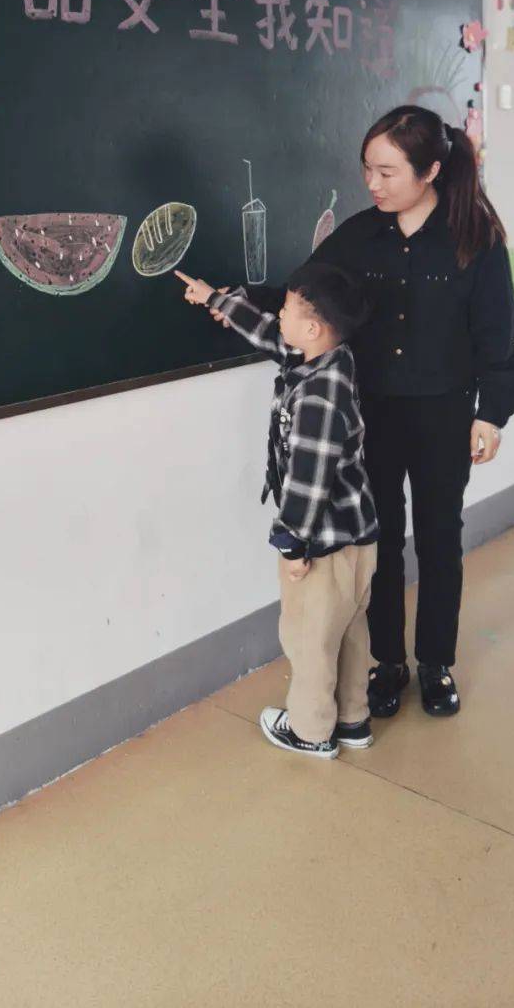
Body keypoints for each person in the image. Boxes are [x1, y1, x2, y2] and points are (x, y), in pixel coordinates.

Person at [237, 106, 514, 719]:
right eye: (367, 169)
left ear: (431, 171)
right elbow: (305, 292)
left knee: (441, 538)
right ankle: (388, 662)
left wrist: (492, 414)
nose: (373, 183)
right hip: (369, 414)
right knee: (381, 540)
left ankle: (436, 664)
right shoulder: (359, 235)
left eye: (388, 172)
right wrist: (231, 300)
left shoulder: (475, 240)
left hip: (445, 413)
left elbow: (499, 336)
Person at [177, 262, 379, 759]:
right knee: (350, 631)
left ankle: (311, 731)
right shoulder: (330, 360)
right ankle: (353, 719)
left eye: (286, 309)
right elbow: (269, 334)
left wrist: (293, 545)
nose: (278, 314)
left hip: (323, 544)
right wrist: (215, 299)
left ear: (313, 329)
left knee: (310, 638)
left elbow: (309, 480)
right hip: (357, 537)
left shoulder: (317, 396)